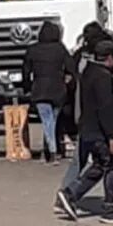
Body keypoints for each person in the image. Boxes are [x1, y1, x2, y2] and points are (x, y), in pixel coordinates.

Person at [57, 39, 113, 223]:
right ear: (110, 57)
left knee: (99, 166)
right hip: (102, 131)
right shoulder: (105, 77)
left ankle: (71, 194)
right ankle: (111, 207)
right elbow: (107, 108)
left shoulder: (87, 72)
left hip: (88, 129)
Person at [22, 21, 76, 165]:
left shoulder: (32, 49)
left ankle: (51, 153)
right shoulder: (60, 49)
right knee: (52, 121)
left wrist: (27, 87)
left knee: (47, 122)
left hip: (39, 89)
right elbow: (71, 68)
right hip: (58, 90)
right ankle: (50, 152)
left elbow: (26, 71)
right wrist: (69, 83)